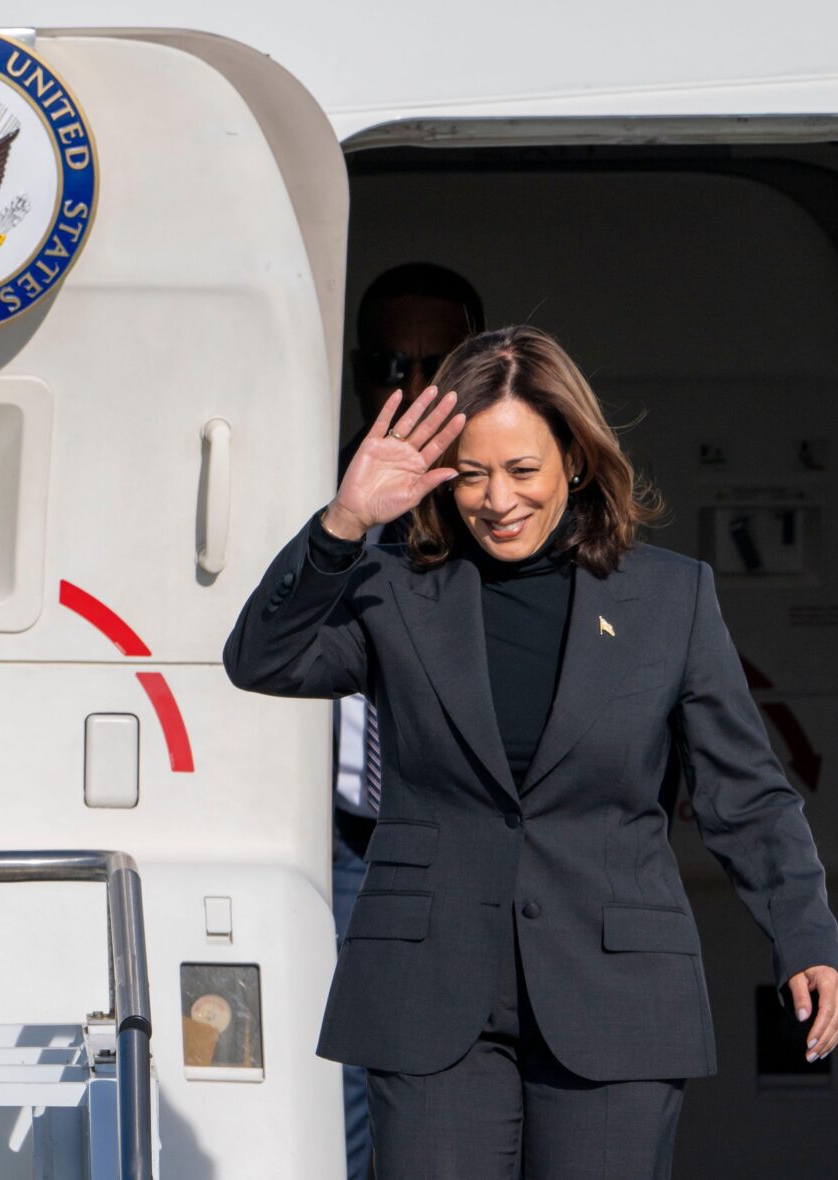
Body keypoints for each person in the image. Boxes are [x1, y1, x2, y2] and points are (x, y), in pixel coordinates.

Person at [223, 325, 838, 1177]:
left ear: (575, 461)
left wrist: (804, 932)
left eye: (522, 471)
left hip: (616, 994)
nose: (497, 500)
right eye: (473, 474)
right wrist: (343, 523)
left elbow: (746, 794)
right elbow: (261, 658)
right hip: (431, 992)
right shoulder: (394, 586)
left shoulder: (671, 598)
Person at [332, 263, 484, 1180]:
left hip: (461, 834)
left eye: (439, 365)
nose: (416, 389)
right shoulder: (319, 497)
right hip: (342, 844)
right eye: (395, 364)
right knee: (351, 1089)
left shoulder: (499, 499)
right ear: (359, 373)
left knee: (455, 1084)